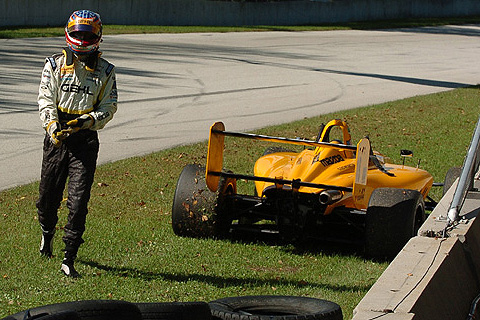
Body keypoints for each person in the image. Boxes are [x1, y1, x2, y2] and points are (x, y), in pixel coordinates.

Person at [36, 9, 118, 277]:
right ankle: (47, 235)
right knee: (48, 197)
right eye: (78, 33)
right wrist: (52, 127)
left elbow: (110, 106)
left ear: (98, 36)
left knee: (78, 201)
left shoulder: (106, 71)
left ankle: (68, 258)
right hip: (57, 138)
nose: (82, 39)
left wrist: (89, 121)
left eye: (88, 34)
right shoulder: (53, 64)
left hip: (84, 141)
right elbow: (45, 99)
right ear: (68, 33)